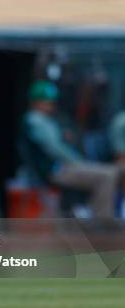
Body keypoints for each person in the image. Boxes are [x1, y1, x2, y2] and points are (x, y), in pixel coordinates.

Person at [22, 80, 124, 218]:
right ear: (35, 102)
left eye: (51, 102)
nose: (50, 106)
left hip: (62, 166)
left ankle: (89, 213)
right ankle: (100, 219)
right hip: (56, 169)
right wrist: (78, 161)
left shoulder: (46, 119)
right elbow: (54, 148)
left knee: (112, 172)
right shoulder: (35, 120)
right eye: (45, 102)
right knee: (108, 175)